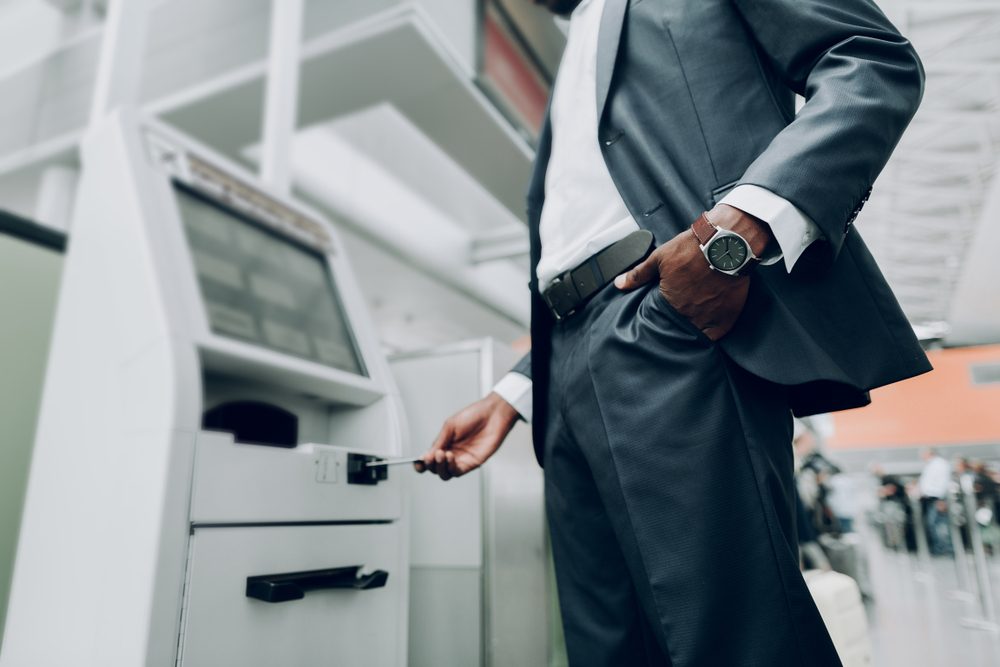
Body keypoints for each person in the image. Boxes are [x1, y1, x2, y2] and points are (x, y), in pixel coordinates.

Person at [418, 0, 931, 664]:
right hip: (566, 364)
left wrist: (733, 237)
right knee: (606, 647)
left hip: (675, 319)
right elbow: (581, 231)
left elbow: (871, 59)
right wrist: (517, 391)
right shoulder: (578, 40)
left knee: (730, 641)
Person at [918, 448, 953, 556]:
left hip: (936, 498)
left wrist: (941, 499)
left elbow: (942, 482)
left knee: (939, 525)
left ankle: (944, 548)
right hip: (931, 498)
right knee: (934, 524)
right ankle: (940, 547)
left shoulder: (939, 464)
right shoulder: (932, 465)